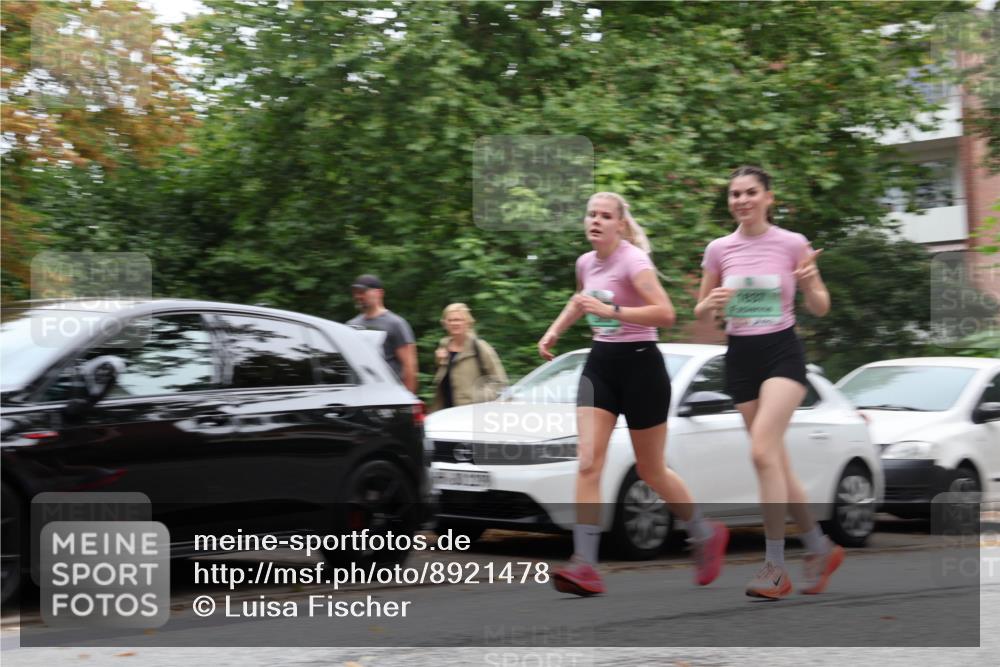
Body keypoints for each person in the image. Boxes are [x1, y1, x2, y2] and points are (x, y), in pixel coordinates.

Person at [539, 191, 729, 596]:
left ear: (621, 225)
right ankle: (585, 563)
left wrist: (613, 313)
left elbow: (666, 313)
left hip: (642, 366)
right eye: (591, 214)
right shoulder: (585, 262)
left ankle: (703, 531)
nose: (596, 220)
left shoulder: (634, 261)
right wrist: (555, 330)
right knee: (588, 462)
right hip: (601, 365)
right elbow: (581, 300)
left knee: (651, 470)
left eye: (605, 216)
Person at [694, 165, 844, 599]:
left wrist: (810, 283)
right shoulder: (719, 249)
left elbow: (821, 306)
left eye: (750, 193)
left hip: (782, 352)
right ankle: (819, 547)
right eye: (735, 194)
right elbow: (701, 312)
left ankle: (775, 567)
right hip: (740, 357)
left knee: (761, 451)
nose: (741, 200)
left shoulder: (793, 243)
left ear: (768, 198)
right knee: (774, 461)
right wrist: (712, 302)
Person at [431, 303, 509, 412]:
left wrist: (478, 398)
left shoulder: (480, 347)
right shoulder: (443, 346)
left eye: (458, 320)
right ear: (445, 323)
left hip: (471, 412)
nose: (454, 323)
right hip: (445, 412)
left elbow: (500, 382)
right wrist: (439, 362)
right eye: (450, 320)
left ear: (468, 322)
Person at [347, 274, 418, 393]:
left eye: (362, 292)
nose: (358, 296)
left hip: (389, 394)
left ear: (379, 293)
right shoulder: (351, 325)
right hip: (360, 394)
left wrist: (408, 398)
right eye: (356, 292)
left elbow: (409, 366)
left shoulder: (396, 324)